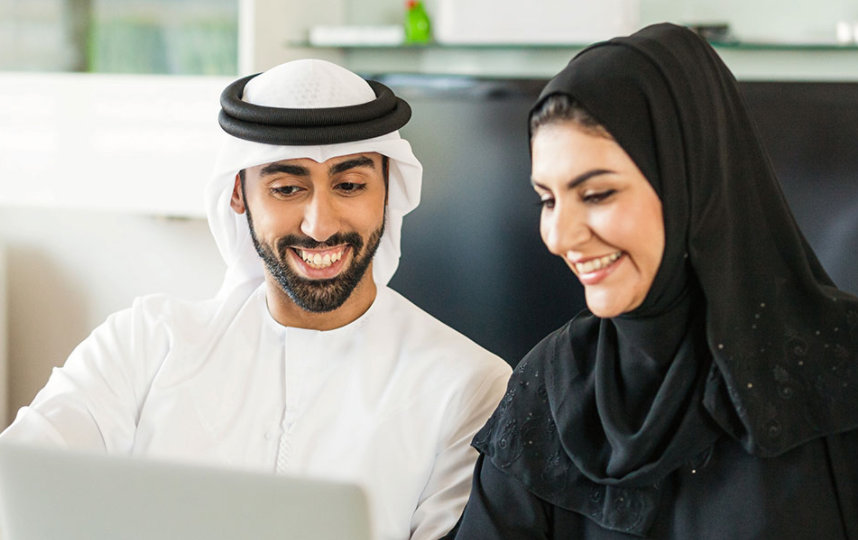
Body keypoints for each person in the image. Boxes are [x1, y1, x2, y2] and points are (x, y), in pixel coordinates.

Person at [0, 59, 511, 540]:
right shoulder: (143, 345)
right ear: (238, 194)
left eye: (350, 184)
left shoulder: (467, 385)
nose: (320, 225)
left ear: (388, 190)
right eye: (287, 189)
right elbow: (19, 487)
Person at [451, 23, 858, 538]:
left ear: (691, 183)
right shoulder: (547, 390)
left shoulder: (842, 366)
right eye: (547, 200)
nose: (559, 236)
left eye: (597, 194)